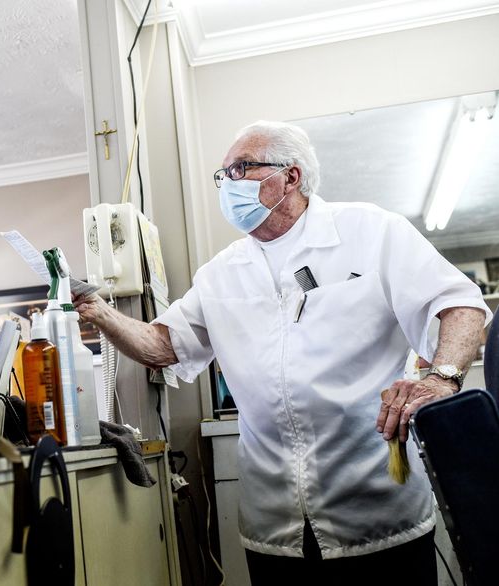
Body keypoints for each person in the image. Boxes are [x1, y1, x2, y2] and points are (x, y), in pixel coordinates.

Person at [75, 121, 490, 585]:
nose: (227, 184)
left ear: (290, 176)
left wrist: (441, 378)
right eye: (223, 176)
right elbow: (163, 345)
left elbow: (462, 305)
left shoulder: (370, 232)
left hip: (375, 506)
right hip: (274, 523)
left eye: (241, 169)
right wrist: (100, 312)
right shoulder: (222, 273)